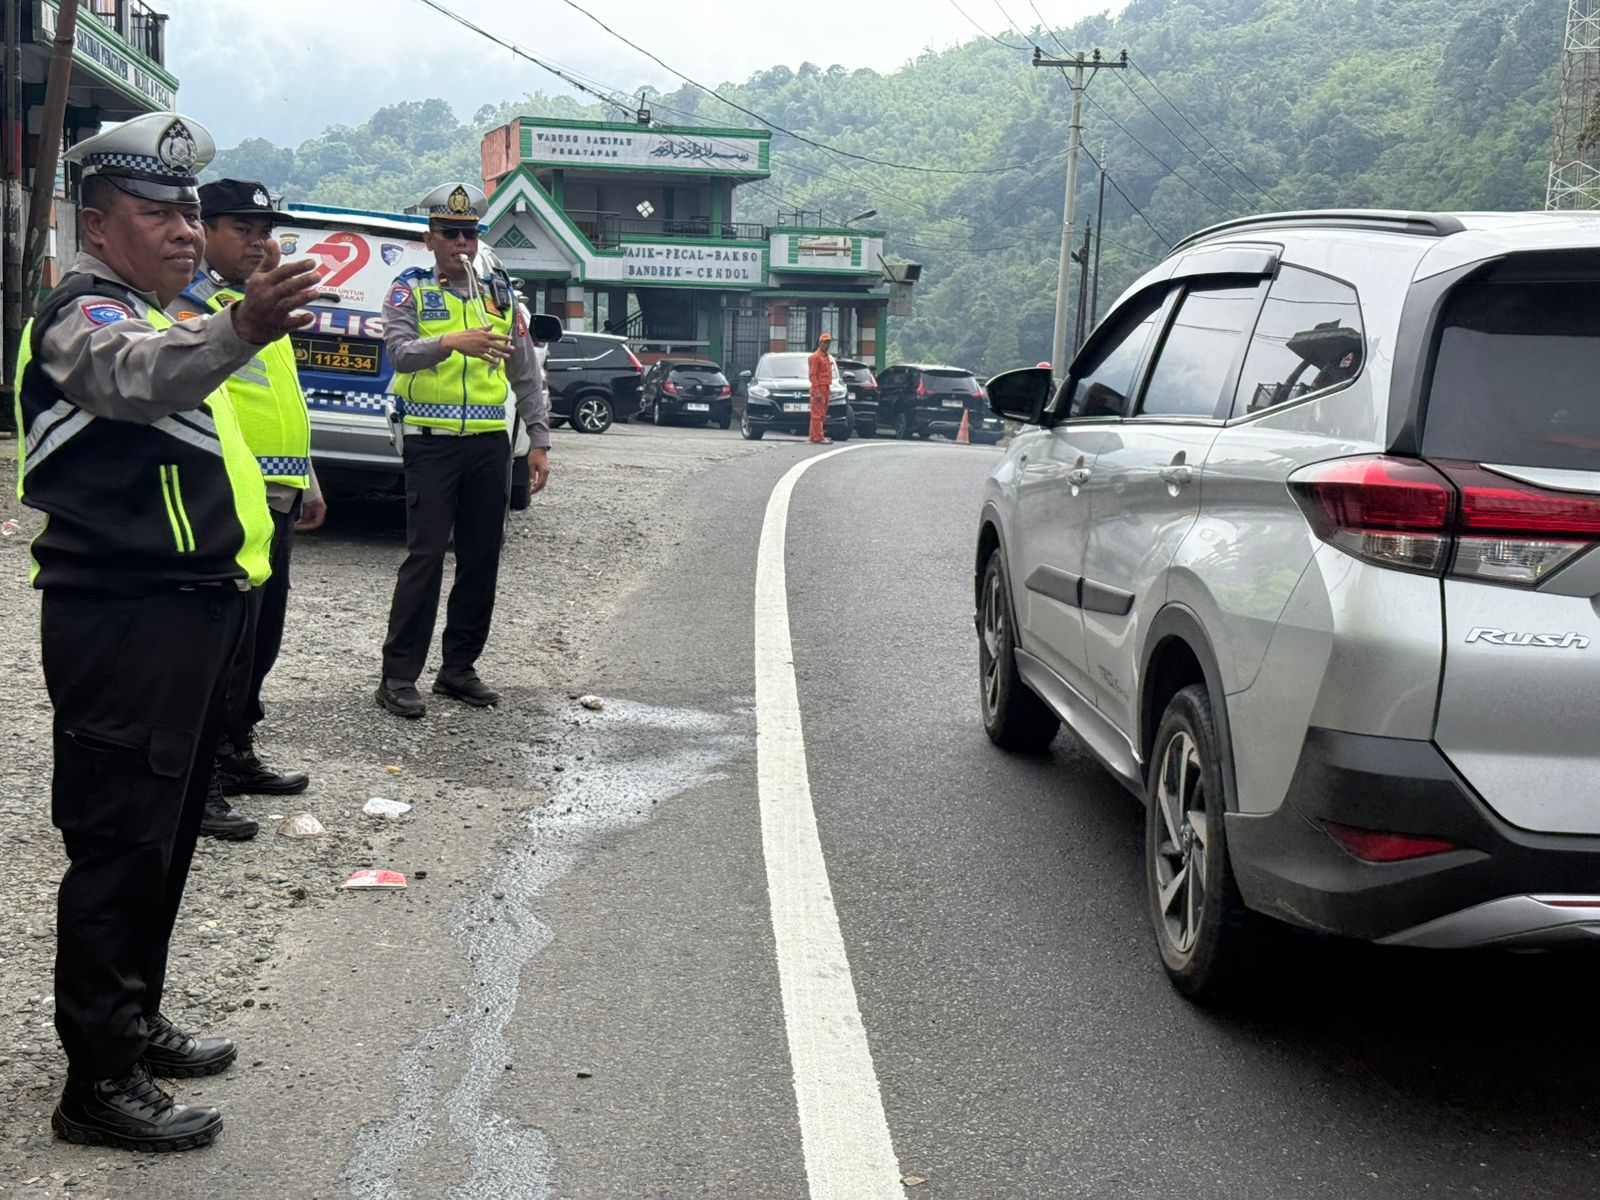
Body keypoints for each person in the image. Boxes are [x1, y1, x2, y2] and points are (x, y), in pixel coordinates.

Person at [15, 112, 321, 1151]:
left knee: (166, 841)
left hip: (192, 614)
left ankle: (132, 1022)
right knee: (116, 847)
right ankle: (95, 1083)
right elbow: (131, 377)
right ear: (97, 225)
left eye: (192, 211)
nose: (188, 230)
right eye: (161, 212)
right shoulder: (81, 317)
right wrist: (240, 329)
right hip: (123, 621)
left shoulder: (164, 311)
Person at [171, 179, 324, 841]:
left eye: (267, 230)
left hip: (279, 494)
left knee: (259, 642)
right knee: (219, 648)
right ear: (204, 228)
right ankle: (194, 785)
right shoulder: (190, 308)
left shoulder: (258, 303)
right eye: (245, 228)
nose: (260, 242)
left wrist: (309, 477)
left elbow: (282, 397)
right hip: (231, 495)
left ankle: (233, 755)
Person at [375, 182, 550, 718]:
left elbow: (525, 372)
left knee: (482, 557)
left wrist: (539, 438)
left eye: (469, 233)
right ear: (429, 237)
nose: (460, 242)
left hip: (488, 445)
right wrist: (452, 342)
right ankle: (398, 676)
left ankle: (458, 669)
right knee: (425, 557)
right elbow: (401, 355)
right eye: (449, 232)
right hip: (431, 443)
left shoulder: (500, 295)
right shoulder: (409, 290)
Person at [808, 332, 833, 444]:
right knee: (817, 414)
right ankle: (819, 437)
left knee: (822, 413)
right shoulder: (815, 357)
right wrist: (817, 391)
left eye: (828, 342)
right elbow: (812, 375)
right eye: (825, 342)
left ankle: (814, 436)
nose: (827, 345)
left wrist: (829, 389)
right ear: (820, 343)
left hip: (826, 388)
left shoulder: (827, 356)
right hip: (819, 388)